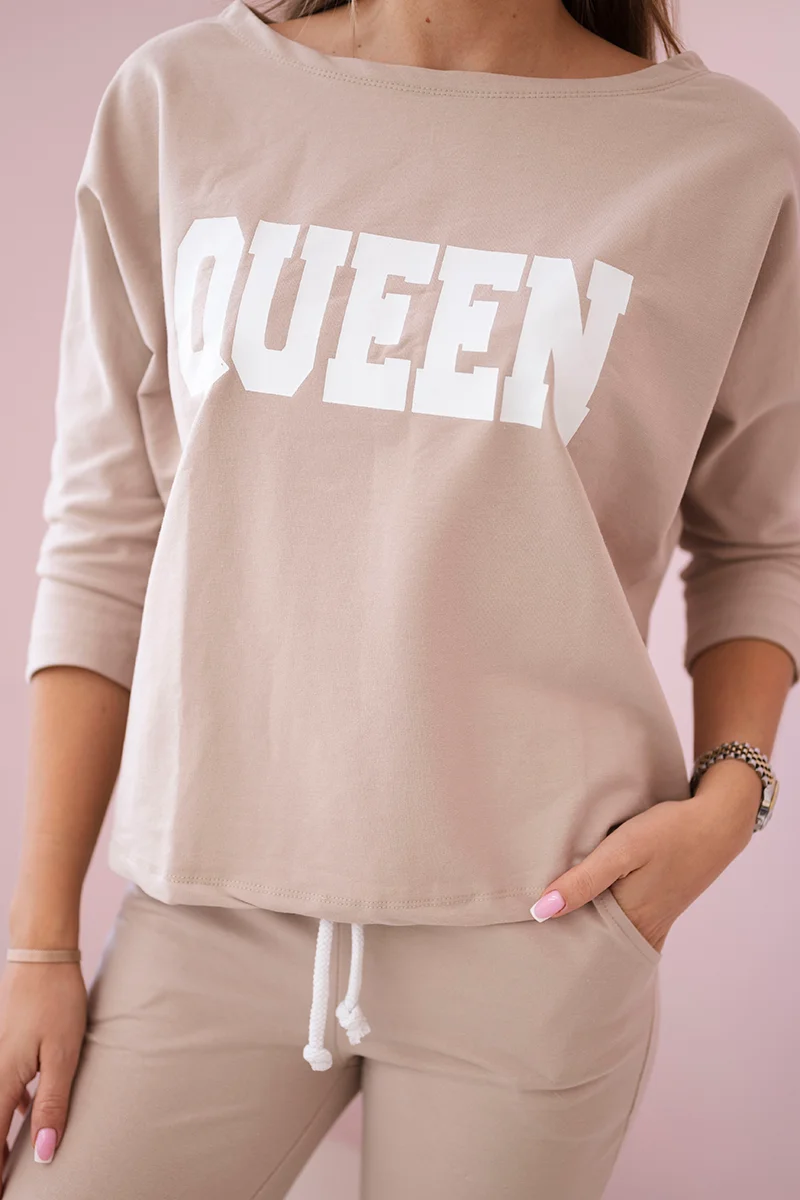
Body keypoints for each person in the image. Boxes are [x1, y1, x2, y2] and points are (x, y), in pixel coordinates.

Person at [2, 0, 799, 1196]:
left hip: (542, 925)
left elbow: (761, 538)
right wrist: (38, 943)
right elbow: (108, 531)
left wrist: (731, 793)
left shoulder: (722, 159)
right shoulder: (181, 97)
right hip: (206, 911)